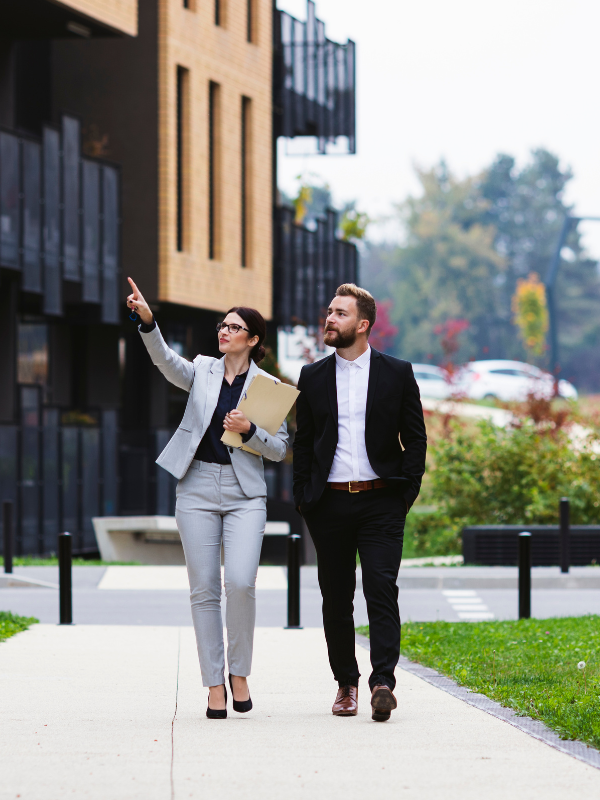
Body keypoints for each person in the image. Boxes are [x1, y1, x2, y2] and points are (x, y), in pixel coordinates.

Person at [126, 277, 288, 719]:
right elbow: (165, 362)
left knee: (240, 582)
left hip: (245, 493)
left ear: (252, 340)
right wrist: (148, 322)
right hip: (195, 486)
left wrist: (249, 431)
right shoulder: (202, 369)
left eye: (234, 327)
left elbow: (280, 449)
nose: (224, 331)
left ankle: (240, 673)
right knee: (203, 591)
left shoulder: (269, 386)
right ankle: (215, 684)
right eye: (222, 325)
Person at [293, 283, 427, 722]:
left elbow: (416, 438)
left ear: (363, 324)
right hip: (328, 503)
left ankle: (382, 682)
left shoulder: (397, 373)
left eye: (340, 313)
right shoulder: (312, 376)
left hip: (382, 501)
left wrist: (405, 493)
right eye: (329, 312)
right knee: (336, 598)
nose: (329, 319)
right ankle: (346, 684)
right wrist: (304, 498)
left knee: (381, 589)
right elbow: (304, 441)